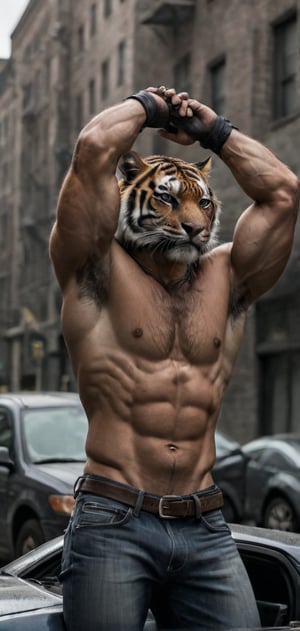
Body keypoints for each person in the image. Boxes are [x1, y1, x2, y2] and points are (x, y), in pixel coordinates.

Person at [50, 85, 299, 631]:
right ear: (130, 197)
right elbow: (93, 150)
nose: (192, 220)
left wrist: (215, 132)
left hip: (205, 521)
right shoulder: (94, 268)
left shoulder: (229, 278)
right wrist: (152, 107)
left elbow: (283, 191)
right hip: (113, 518)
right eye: (167, 199)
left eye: (202, 204)